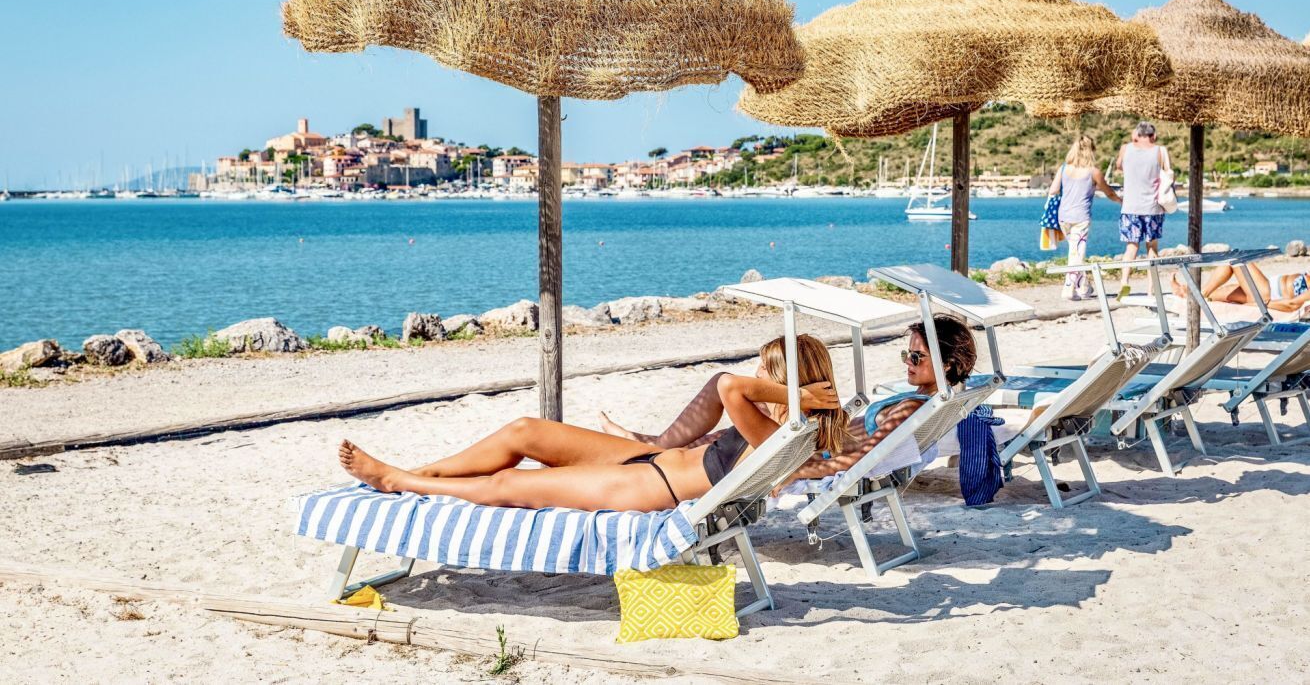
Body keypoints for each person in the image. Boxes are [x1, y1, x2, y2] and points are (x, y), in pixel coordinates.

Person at [338, 334, 846, 512]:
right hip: (649, 461)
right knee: (524, 430)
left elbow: (728, 388)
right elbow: (723, 381)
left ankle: (396, 480)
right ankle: (426, 471)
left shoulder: (783, 437)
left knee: (512, 482)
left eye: (766, 370)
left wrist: (795, 396)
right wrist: (798, 394)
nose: (756, 376)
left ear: (782, 380)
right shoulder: (779, 424)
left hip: (649, 485)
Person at [601, 316, 978, 483]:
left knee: (739, 406)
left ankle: (651, 446)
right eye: (906, 355)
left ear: (947, 366)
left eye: (917, 358)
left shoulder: (913, 408)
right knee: (740, 422)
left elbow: (861, 457)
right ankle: (652, 445)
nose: (908, 363)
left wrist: (791, 470)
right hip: (820, 440)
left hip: (811, 451)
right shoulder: (928, 402)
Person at [1047, 134, 1121, 300]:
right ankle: (1068, 288)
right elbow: (1109, 192)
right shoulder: (1094, 172)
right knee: (1077, 254)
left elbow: (1053, 190)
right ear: (1091, 151)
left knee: (1074, 253)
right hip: (1081, 218)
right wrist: (1121, 201)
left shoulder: (1064, 168)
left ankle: (1084, 287)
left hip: (1063, 217)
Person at [1114, 121, 1174, 300]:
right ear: (1153, 136)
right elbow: (1169, 173)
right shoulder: (1160, 151)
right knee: (1152, 248)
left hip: (1130, 207)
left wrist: (1132, 140)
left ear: (1136, 134)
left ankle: (1124, 282)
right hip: (1153, 208)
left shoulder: (1125, 149)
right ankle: (1151, 288)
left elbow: (1119, 166)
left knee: (1131, 247)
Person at [1172, 262, 1310, 316]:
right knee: (1221, 293)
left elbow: (1292, 304)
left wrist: (1261, 305)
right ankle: (1187, 292)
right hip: (1265, 288)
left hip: (1265, 294)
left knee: (1236, 260)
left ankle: (1199, 294)